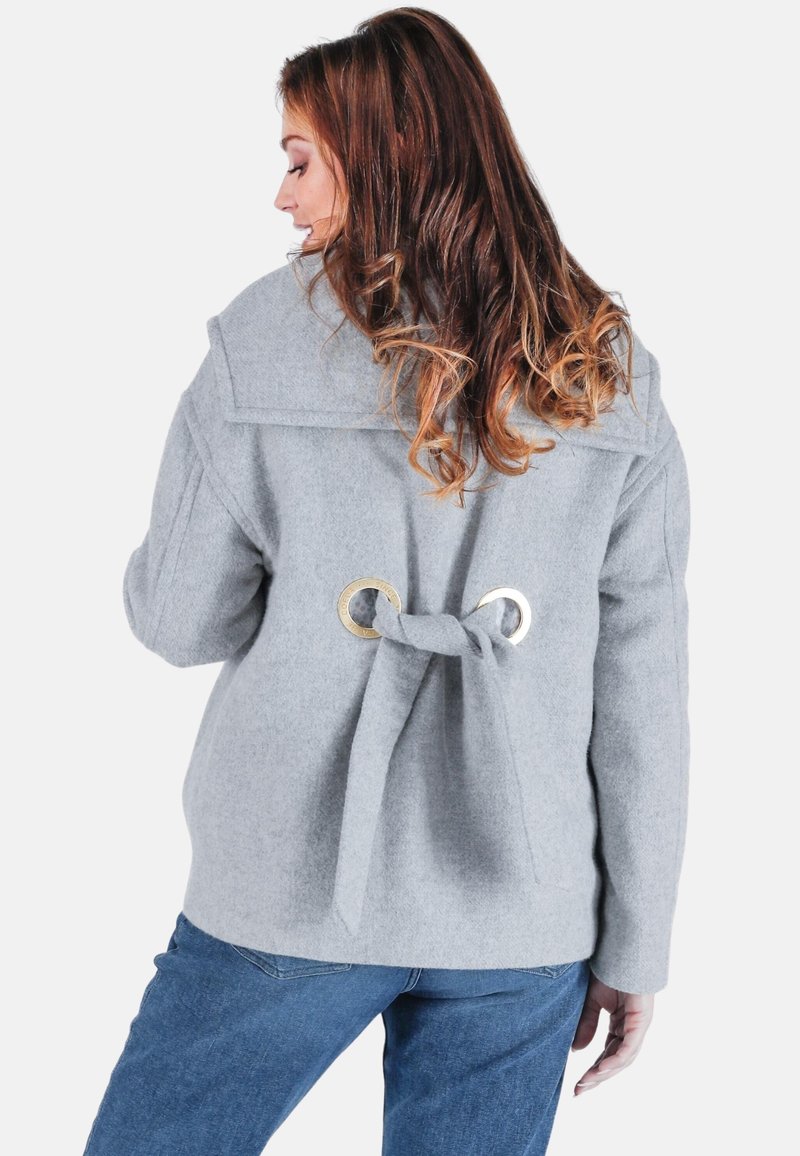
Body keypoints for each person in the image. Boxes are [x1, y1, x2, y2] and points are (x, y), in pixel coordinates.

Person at [81, 8, 691, 1155]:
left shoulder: (262, 341)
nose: (281, 197)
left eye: (299, 159)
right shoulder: (605, 366)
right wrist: (635, 942)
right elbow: (642, 695)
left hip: (287, 886)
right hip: (522, 906)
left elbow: (177, 619)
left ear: (380, 156)